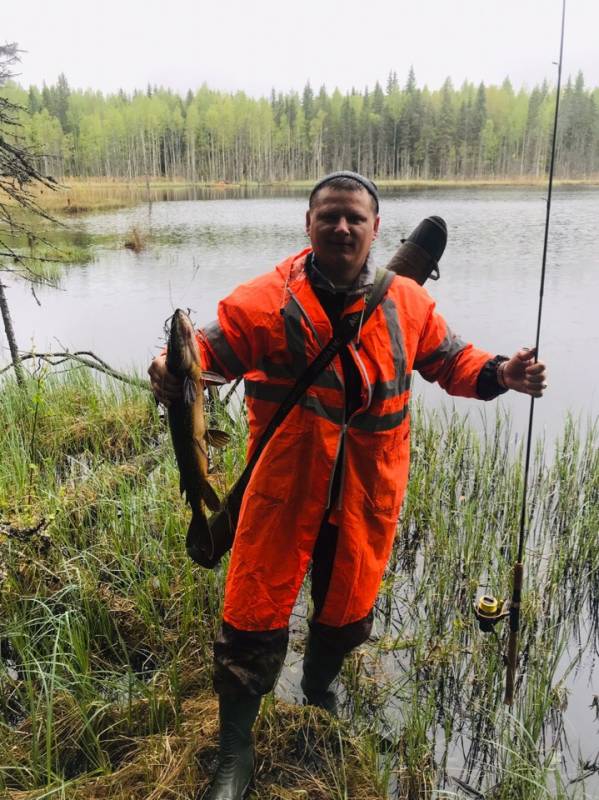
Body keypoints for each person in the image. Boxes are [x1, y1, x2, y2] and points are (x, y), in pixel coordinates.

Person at [148, 171, 547, 800]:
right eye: (329, 216)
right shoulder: (266, 300)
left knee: (345, 614)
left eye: (354, 218)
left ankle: (318, 690)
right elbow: (206, 351)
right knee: (251, 621)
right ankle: (235, 749)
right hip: (283, 496)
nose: (341, 227)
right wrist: (170, 367)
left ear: (375, 228)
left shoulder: (407, 303)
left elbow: (452, 361)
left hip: (365, 500)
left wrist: (502, 371)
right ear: (308, 225)